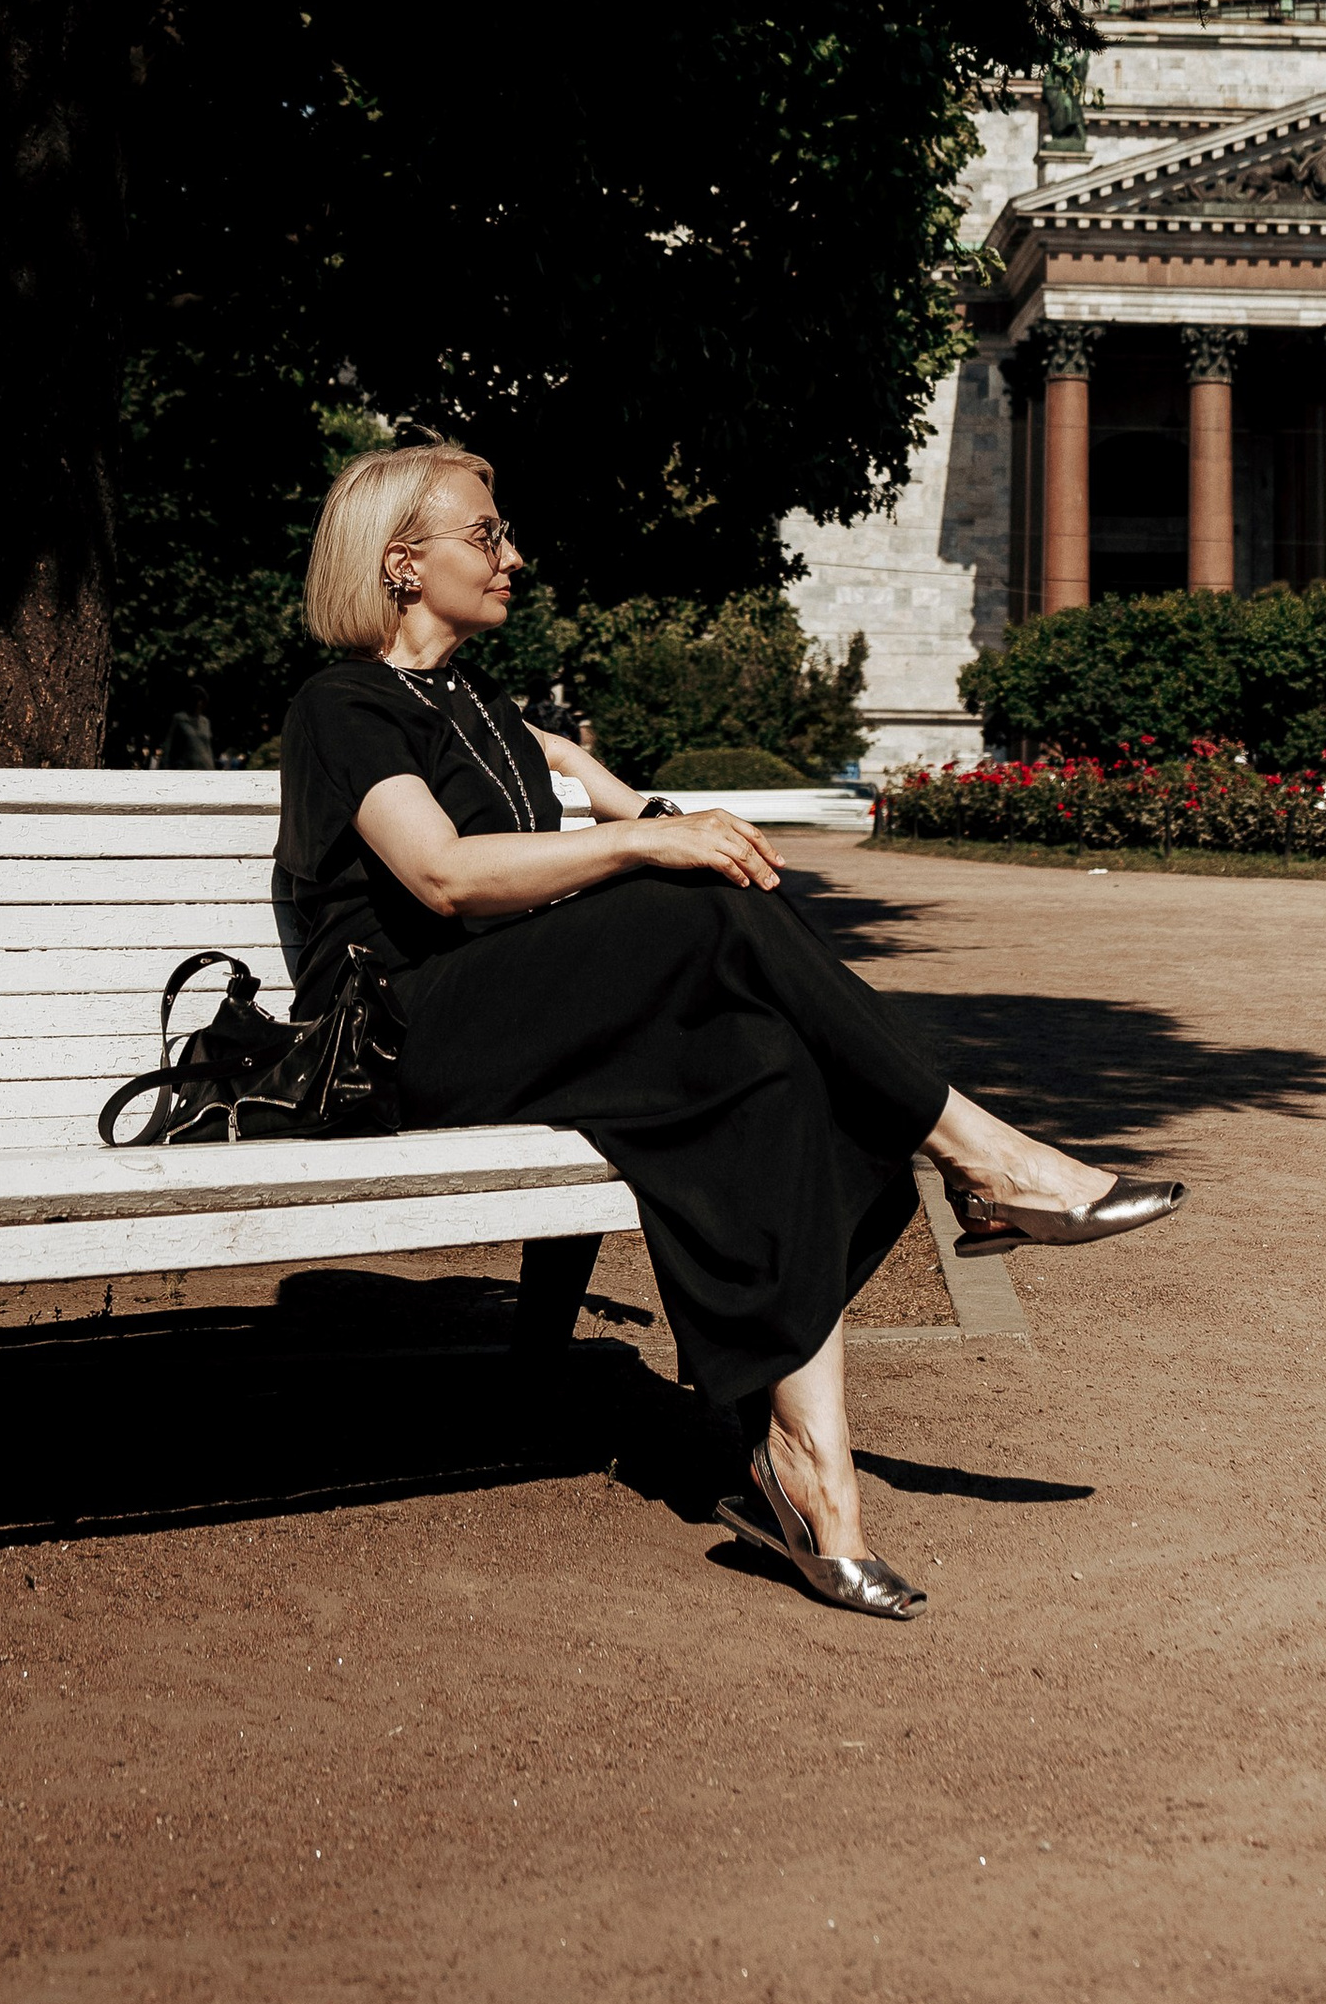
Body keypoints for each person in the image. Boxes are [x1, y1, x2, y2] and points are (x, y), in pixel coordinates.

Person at [275, 444, 1184, 1621]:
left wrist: (586, 771)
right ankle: (984, 1156)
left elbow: (590, 845)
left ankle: (811, 1484)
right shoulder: (341, 705)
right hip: (408, 1038)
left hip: (529, 1027)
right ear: (402, 565)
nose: (514, 555)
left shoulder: (488, 713)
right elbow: (442, 877)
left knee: (770, 1073)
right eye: (486, 535)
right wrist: (647, 839)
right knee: (698, 895)